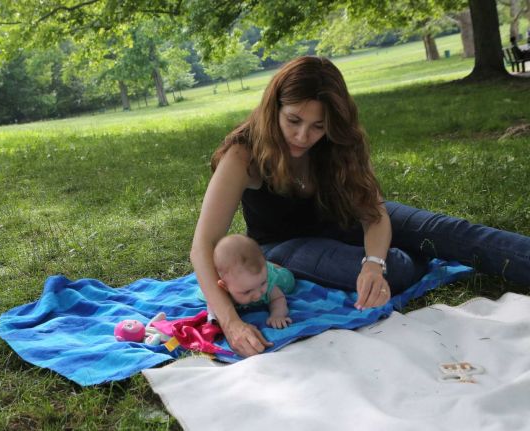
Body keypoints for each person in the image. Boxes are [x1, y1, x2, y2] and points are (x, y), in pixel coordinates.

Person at [190, 56, 530, 357]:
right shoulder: (242, 154)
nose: (303, 135)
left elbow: (373, 211)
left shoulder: (340, 142)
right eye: (293, 120)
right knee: (394, 270)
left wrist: (372, 262)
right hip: (284, 246)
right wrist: (232, 323)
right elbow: (203, 246)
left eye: (317, 126)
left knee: (444, 231)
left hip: (342, 219)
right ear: (273, 108)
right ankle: (407, 254)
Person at [211, 234, 296, 329]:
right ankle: (266, 266)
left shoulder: (268, 284)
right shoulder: (222, 292)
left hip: (278, 275)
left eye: (262, 283)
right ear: (225, 286)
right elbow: (213, 306)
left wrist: (277, 315)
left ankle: (270, 267)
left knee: (289, 280)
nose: (258, 295)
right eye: (247, 291)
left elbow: (279, 299)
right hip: (259, 274)